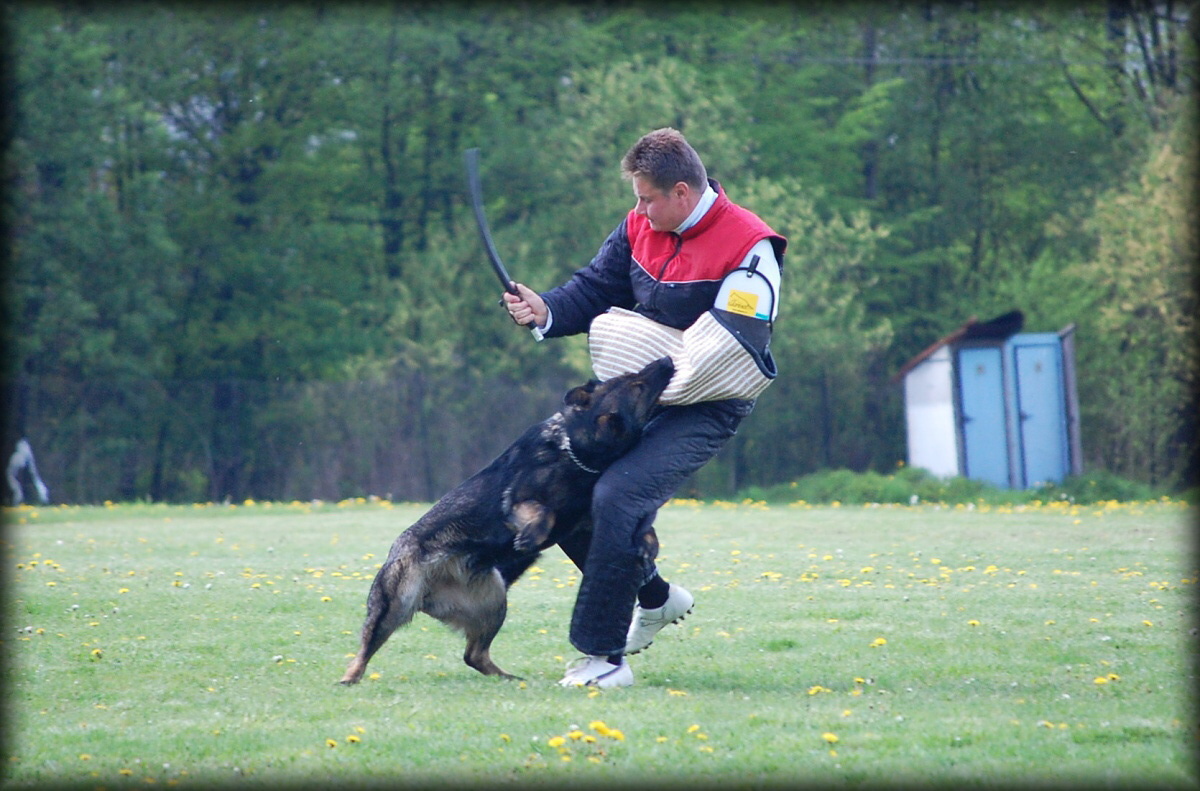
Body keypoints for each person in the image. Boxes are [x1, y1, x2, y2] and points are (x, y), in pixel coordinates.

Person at [502, 128, 786, 687]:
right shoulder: (641, 225)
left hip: (707, 403)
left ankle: (604, 660)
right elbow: (595, 288)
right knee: (560, 488)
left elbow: (727, 349)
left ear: (681, 192)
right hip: (643, 395)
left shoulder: (751, 247)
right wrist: (546, 310)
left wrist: (641, 370)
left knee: (618, 495)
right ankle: (654, 598)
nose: (638, 209)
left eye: (646, 198)